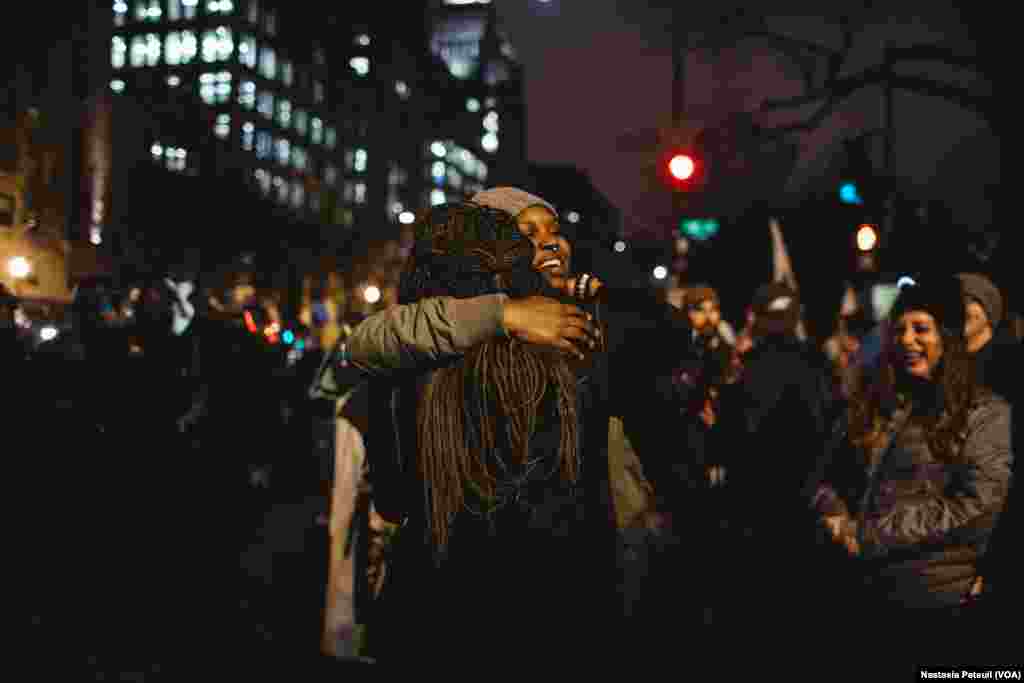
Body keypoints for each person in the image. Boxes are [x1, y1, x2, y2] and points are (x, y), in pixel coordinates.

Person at [353, 202, 626, 665]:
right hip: (552, 615)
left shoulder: (402, 361)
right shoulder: (574, 351)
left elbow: (392, 498)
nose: (547, 246)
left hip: (432, 617)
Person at [808, 275, 1013, 647]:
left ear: (947, 339)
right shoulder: (873, 404)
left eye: (921, 329)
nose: (907, 340)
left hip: (935, 600)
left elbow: (978, 506)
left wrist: (872, 533)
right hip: (864, 596)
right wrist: (835, 516)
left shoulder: (984, 412)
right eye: (899, 329)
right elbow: (825, 476)